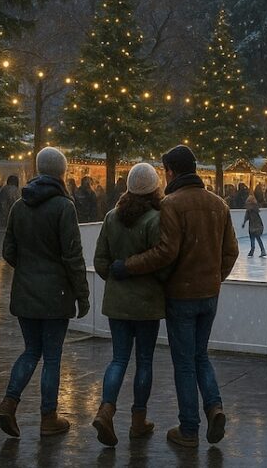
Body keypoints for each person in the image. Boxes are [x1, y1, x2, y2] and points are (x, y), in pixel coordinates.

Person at [114, 145, 239, 447]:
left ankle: (189, 429)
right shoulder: (219, 204)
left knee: (184, 362)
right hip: (209, 296)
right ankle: (214, 406)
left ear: (170, 171)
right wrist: (213, 278)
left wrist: (128, 266)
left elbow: (165, 252)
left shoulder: (171, 204)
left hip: (181, 296)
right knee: (200, 356)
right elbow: (231, 251)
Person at [0, 147, 89, 438]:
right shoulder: (64, 207)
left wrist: (28, 269)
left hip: (25, 293)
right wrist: (82, 294)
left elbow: (8, 250)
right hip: (55, 295)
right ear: (62, 172)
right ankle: (48, 417)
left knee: (30, 351)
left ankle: (9, 403)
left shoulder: (19, 206)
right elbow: (72, 256)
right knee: (51, 357)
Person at [91, 163, 166, 446]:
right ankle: (138, 421)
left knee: (119, 358)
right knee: (144, 361)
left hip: (118, 304)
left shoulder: (112, 217)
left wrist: (115, 281)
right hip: (146, 304)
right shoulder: (155, 219)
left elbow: (100, 260)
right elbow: (160, 263)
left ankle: (106, 409)